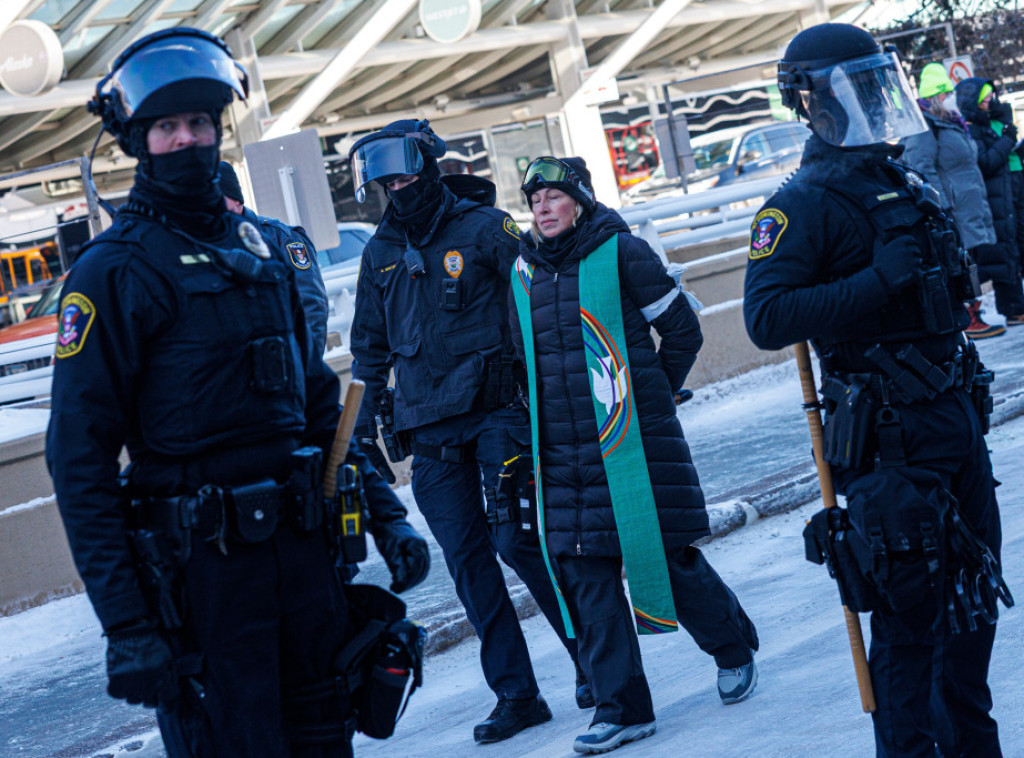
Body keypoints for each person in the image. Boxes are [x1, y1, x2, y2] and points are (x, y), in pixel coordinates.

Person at [46, 28, 429, 758]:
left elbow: (320, 408)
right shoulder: (111, 275)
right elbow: (78, 462)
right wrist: (126, 626)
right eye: (167, 126)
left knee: (326, 741)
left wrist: (387, 517)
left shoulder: (257, 252)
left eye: (199, 123)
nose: (188, 140)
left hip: (306, 568)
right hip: (206, 588)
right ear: (135, 140)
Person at [746, 23, 1006, 756]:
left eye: (873, 82)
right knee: (910, 628)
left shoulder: (899, 178)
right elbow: (766, 317)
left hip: (953, 423)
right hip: (889, 448)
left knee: (973, 612)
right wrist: (875, 281)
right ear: (810, 102)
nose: (869, 99)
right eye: (849, 87)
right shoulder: (804, 201)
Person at [347, 120, 588, 745]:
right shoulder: (379, 252)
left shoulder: (486, 229)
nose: (398, 189)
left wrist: (549, 397)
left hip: (497, 414)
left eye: (405, 175)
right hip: (427, 430)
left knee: (519, 543)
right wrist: (365, 423)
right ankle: (518, 695)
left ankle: (592, 662)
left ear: (430, 167)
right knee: (469, 566)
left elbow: (535, 310)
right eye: (387, 181)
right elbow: (369, 347)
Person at [509, 156, 759, 755]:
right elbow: (524, 361)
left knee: (665, 560)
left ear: (581, 202)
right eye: (534, 199)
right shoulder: (522, 273)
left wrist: (657, 396)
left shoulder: (621, 253)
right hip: (564, 455)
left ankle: (731, 646)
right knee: (586, 573)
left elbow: (683, 331)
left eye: (553, 196)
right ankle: (622, 708)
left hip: (631, 442)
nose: (542, 208)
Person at [901, 63, 1006, 339]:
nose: (951, 97)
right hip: (953, 208)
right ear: (935, 96)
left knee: (971, 260)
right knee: (960, 262)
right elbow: (921, 167)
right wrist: (941, 206)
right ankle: (967, 317)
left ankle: (973, 313)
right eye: (946, 92)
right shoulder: (926, 127)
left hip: (970, 203)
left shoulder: (951, 123)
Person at [218, 160, 330, 356]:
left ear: (236, 200)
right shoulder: (210, 245)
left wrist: (307, 365)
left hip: (286, 362)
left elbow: (311, 307)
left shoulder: (280, 237)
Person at [955, 76, 1024, 331]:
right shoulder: (971, 128)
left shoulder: (991, 123)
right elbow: (986, 162)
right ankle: (1011, 309)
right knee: (1002, 253)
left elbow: (1006, 153)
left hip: (1010, 190)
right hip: (994, 197)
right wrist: (1007, 140)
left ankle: (1016, 307)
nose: (989, 103)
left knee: (1013, 249)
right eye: (984, 99)